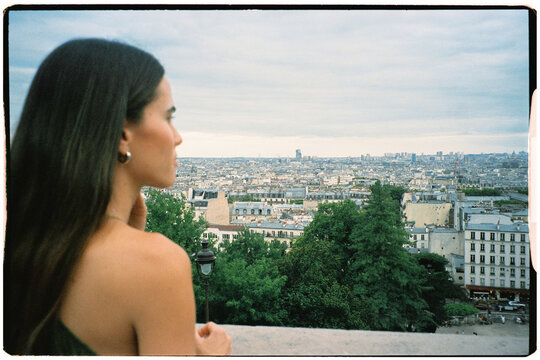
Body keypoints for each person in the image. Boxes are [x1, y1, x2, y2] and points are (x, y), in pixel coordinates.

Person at [4, 38, 232, 355]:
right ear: (123, 133)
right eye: (168, 116)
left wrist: (129, 234)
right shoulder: (157, 264)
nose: (177, 137)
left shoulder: (21, 240)